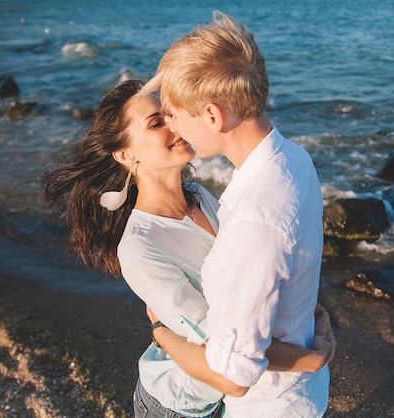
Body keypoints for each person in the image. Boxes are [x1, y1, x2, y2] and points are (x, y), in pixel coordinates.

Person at [40, 79, 334, 418]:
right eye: (156, 123)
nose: (174, 125)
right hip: (178, 405)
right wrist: (312, 357)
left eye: (170, 115)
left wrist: (311, 317)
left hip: (229, 396)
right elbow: (220, 350)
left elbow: (257, 269)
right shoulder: (139, 246)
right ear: (125, 154)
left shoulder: (200, 196)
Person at [140, 11, 331, 417]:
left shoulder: (254, 221)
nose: (172, 127)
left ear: (212, 116)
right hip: (303, 391)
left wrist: (161, 331)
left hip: (269, 406)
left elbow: (235, 374)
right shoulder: (294, 158)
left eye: (173, 113)